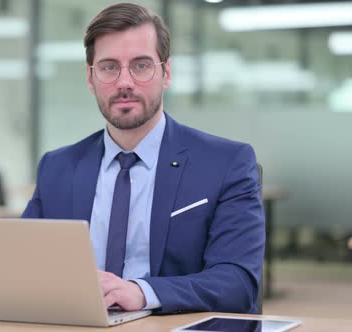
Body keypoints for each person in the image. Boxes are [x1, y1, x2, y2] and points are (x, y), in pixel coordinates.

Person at [22, 2, 265, 314]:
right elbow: (25, 266)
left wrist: (142, 292)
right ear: (90, 78)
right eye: (109, 67)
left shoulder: (226, 163)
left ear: (166, 73)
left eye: (140, 65)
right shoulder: (57, 168)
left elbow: (238, 283)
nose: (124, 82)